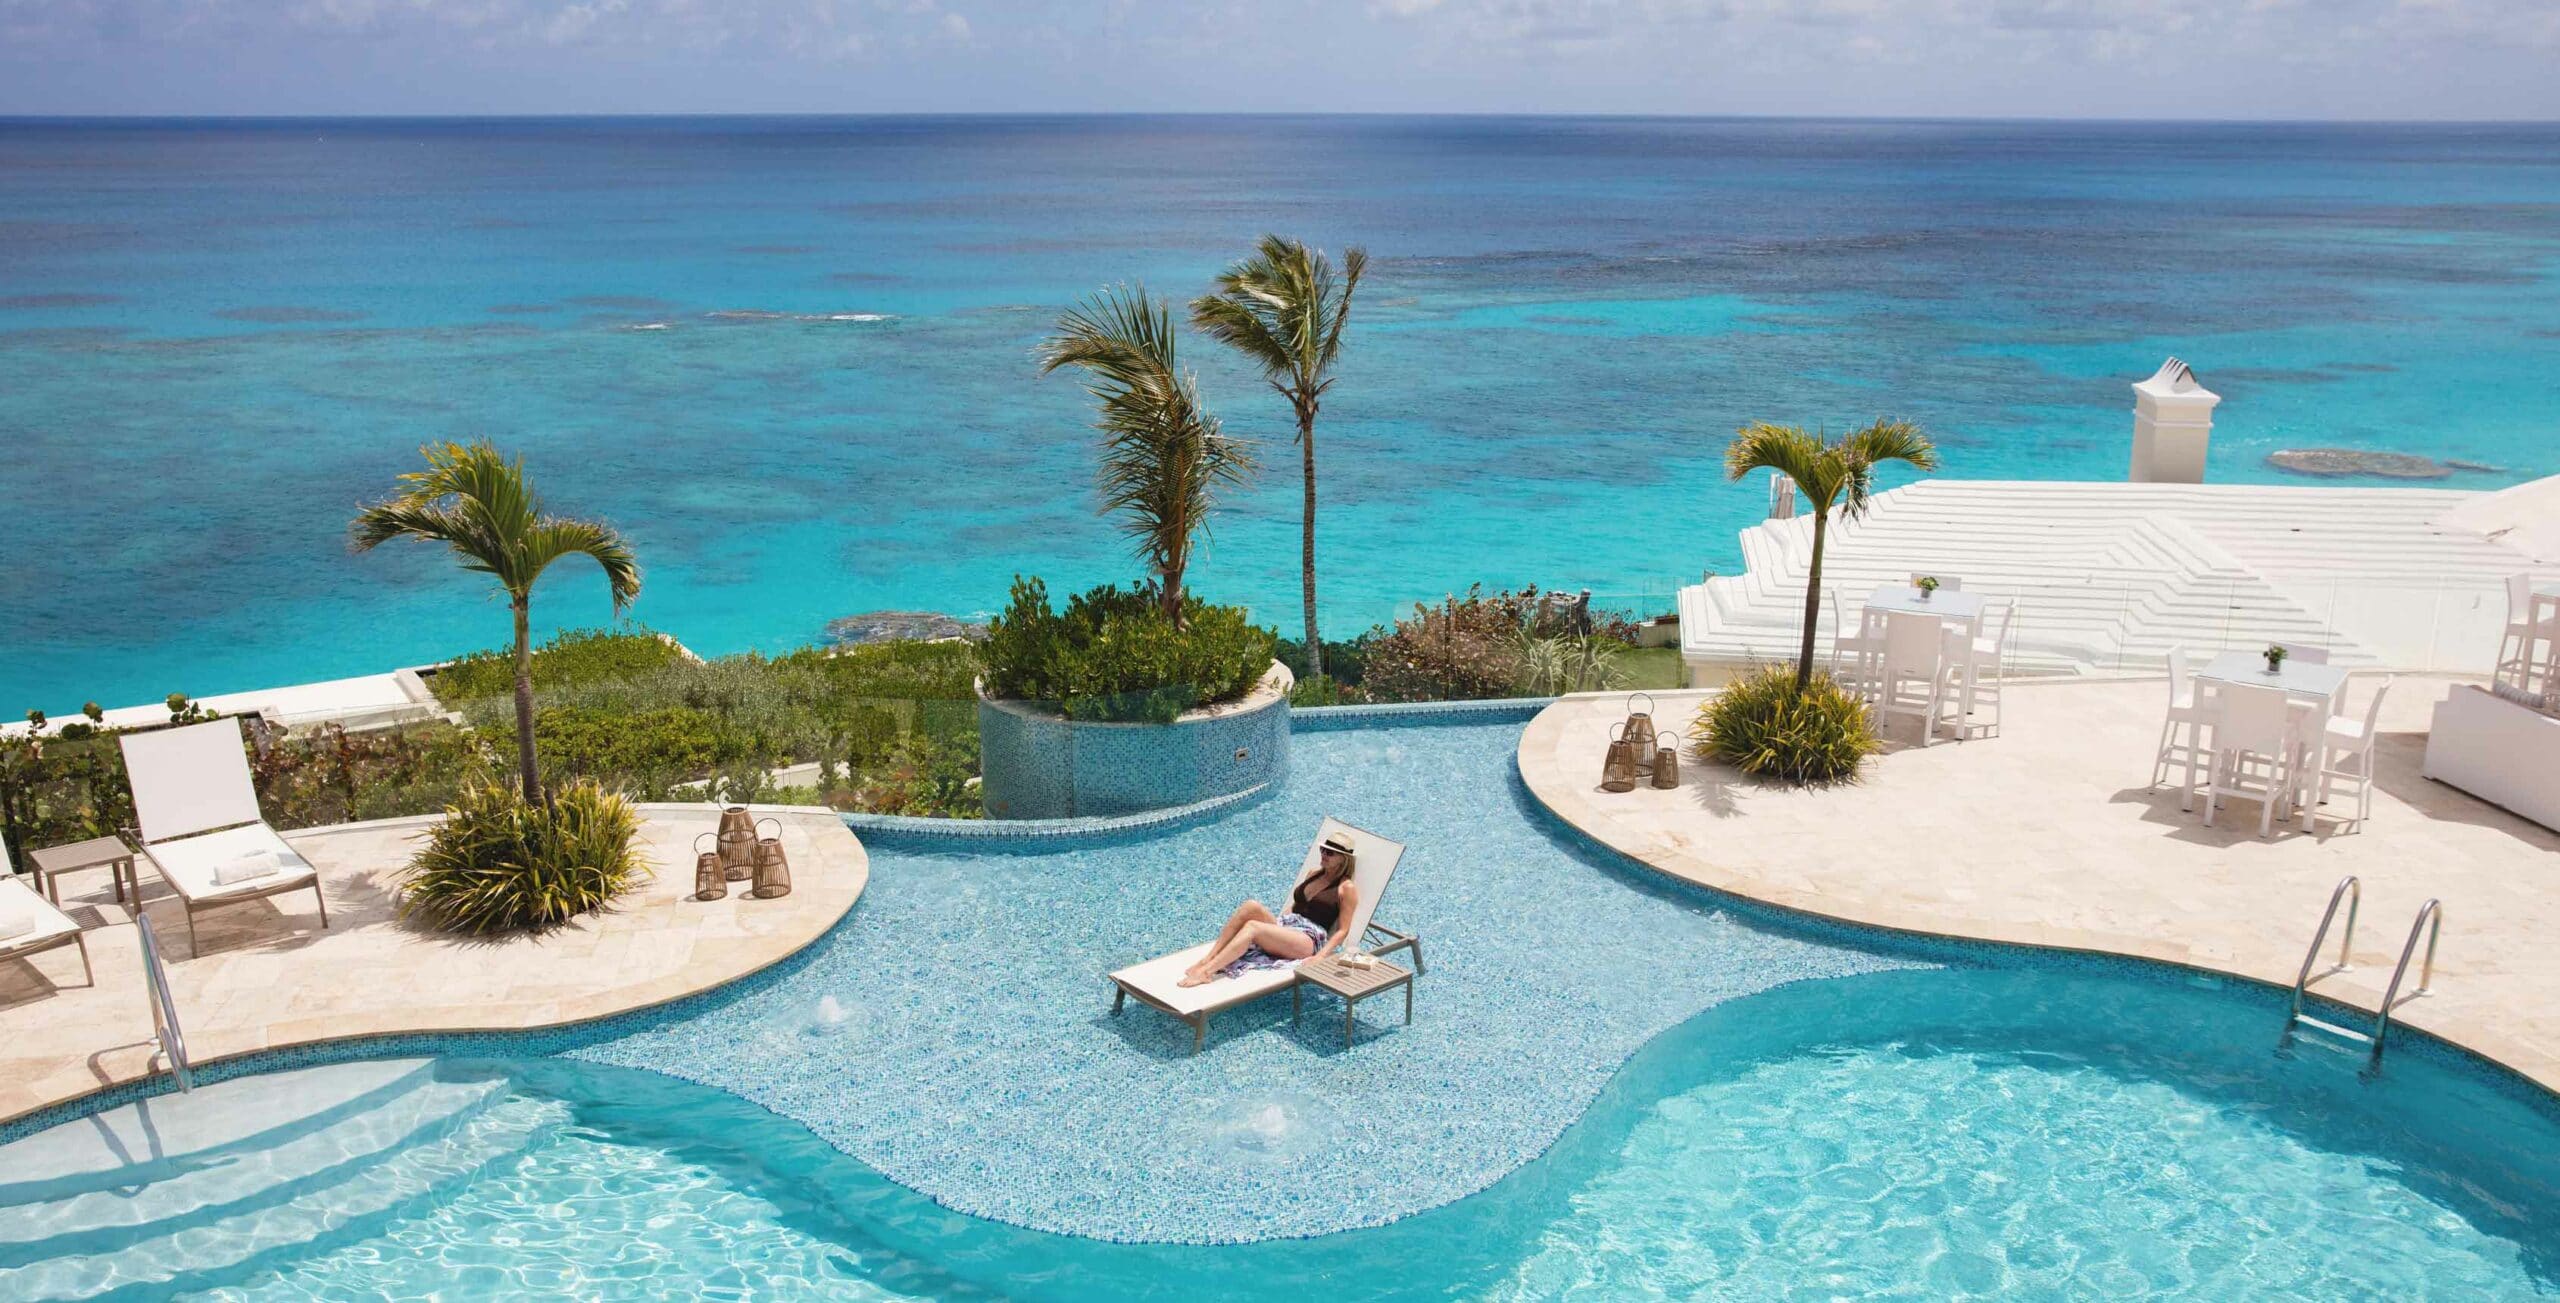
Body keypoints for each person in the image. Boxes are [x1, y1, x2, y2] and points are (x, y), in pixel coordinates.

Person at [1177, 836, 1358, 987]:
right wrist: (1278, 926)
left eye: (1330, 853)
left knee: (1253, 927)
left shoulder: (1346, 888)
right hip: (1290, 926)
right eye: (1322, 850)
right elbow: (1296, 905)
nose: (1324, 854)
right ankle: (1208, 959)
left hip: (1308, 940)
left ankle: (1207, 973)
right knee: (1251, 906)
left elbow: (1343, 930)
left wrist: (1320, 957)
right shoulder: (1313, 873)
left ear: (1343, 858)